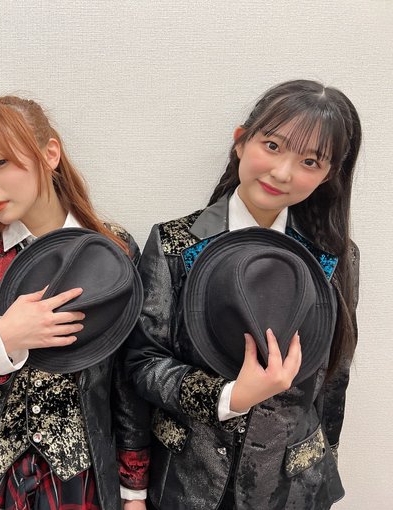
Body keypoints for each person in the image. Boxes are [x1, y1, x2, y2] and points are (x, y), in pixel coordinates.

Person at [125, 79, 361, 510]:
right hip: (188, 481)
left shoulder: (334, 256)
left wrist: (323, 475)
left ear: (328, 175)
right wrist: (228, 398)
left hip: (291, 486)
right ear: (241, 142)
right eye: (272, 146)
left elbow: (333, 378)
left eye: (309, 161)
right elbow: (143, 364)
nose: (283, 172)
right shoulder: (175, 243)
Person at [0, 96, 150, 509]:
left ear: (50, 153)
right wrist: (2, 339)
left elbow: (126, 381)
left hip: (78, 480)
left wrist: (133, 489)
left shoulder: (114, 251)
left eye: (1, 162)